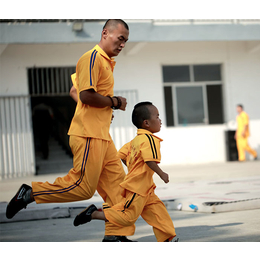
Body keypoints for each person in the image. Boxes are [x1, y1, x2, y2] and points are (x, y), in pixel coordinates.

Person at [6, 19, 134, 242]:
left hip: (102, 135)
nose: (122, 44)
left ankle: (115, 236)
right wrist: (113, 102)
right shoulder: (91, 58)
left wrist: (102, 107)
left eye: (125, 41)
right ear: (105, 33)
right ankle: (30, 193)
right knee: (83, 188)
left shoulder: (105, 62)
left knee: (118, 188)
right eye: (120, 38)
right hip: (88, 134)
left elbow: (74, 90)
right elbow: (85, 95)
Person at [73, 102, 178, 242]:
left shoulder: (136, 140)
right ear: (146, 123)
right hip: (138, 189)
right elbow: (149, 160)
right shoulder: (151, 139)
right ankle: (94, 214)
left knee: (158, 212)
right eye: (157, 116)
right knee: (127, 217)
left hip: (146, 188)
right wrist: (161, 173)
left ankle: (167, 239)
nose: (160, 120)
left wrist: (133, 168)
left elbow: (121, 155)